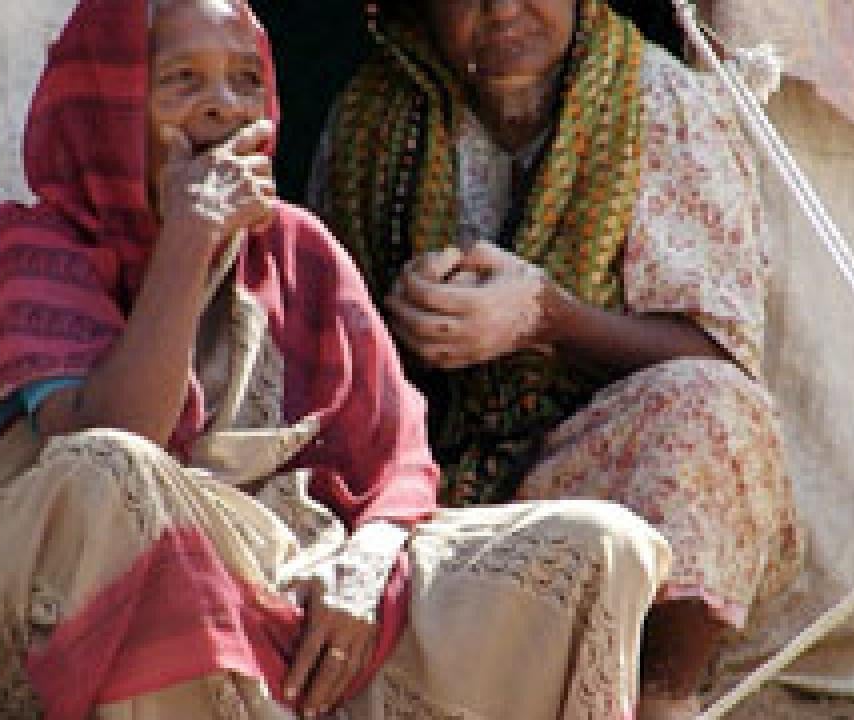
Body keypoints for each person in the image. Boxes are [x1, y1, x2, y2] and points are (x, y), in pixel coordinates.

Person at [0, 1, 670, 719]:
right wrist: (187, 244)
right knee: (104, 468)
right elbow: (112, 439)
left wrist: (364, 566)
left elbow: (396, 460)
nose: (223, 107)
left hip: (303, 580)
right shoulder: (52, 252)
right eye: (182, 80)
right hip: (156, 583)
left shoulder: (298, 249)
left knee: (603, 546)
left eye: (245, 80)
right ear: (112, 108)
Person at [308, 1, 804, 718]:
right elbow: (319, 344)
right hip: (424, 484)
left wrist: (546, 318)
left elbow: (717, 352)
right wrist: (403, 323)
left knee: (714, 409)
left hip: (591, 469)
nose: (504, 10)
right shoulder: (372, 119)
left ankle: (661, 698)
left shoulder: (661, 105)